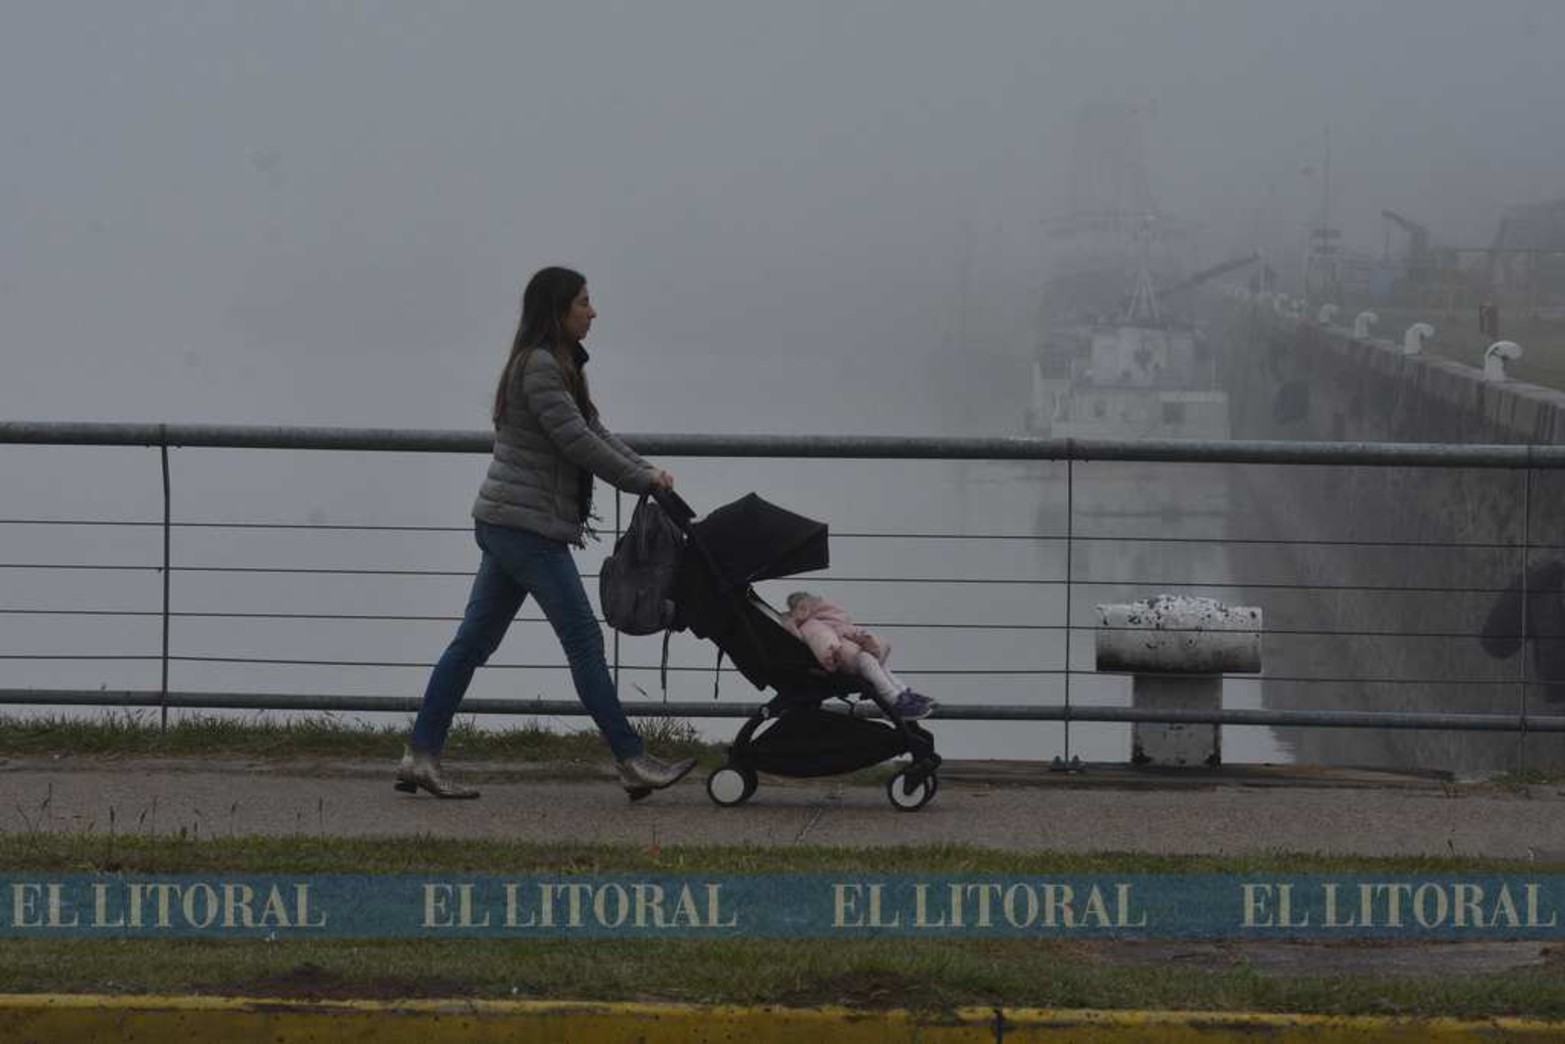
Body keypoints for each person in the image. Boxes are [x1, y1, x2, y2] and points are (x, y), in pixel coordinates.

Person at [397, 266, 696, 799]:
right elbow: (575, 441)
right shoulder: (538, 367)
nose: (593, 312)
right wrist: (640, 479)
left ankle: (421, 755)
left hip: (512, 522)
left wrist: (646, 471)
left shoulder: (560, 364)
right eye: (583, 302)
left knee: (472, 643)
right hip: (524, 528)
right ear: (557, 311)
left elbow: (594, 429)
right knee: (583, 639)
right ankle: (631, 760)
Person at [782, 591, 937, 720]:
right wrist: (832, 652)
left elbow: (843, 629)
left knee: (875, 662)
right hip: (842, 659)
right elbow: (822, 639)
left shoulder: (822, 621)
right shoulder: (811, 626)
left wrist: (863, 638)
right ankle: (894, 700)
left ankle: (902, 693)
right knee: (868, 660)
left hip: (849, 652)